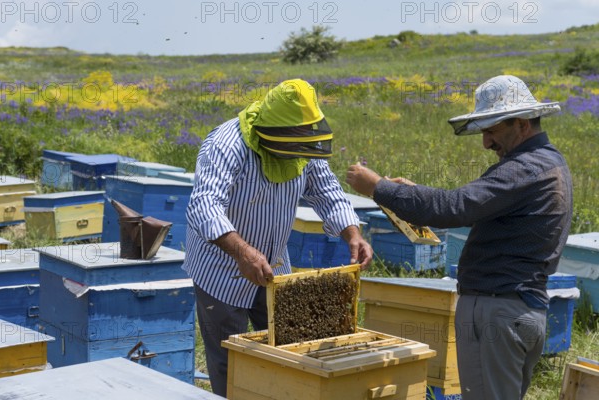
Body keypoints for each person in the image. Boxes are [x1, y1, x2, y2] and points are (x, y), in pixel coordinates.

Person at [345, 75, 573, 400]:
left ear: (521, 124)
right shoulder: (550, 162)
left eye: (491, 130)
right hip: (521, 309)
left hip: (498, 310)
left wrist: (378, 188)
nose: (486, 143)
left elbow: (454, 207)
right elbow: (482, 209)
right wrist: (412, 194)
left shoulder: (523, 169)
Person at [183, 78, 373, 397]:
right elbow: (204, 204)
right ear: (273, 131)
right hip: (221, 269)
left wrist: (352, 233)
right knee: (229, 363)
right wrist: (242, 252)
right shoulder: (227, 145)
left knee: (285, 351)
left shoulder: (303, 142)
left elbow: (326, 191)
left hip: (275, 266)